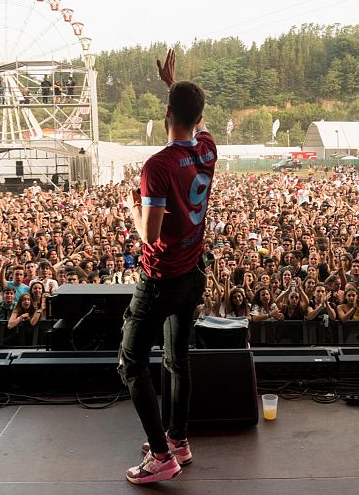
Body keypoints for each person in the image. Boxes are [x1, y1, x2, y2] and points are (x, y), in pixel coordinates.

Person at [119, 49, 215, 484]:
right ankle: (178, 439)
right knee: (178, 359)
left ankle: (161, 456)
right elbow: (195, 118)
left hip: (159, 279)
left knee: (132, 362)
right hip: (192, 274)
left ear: (166, 113)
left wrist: (130, 208)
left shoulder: (156, 167)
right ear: (197, 117)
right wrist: (174, 87)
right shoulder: (208, 149)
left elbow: (150, 235)